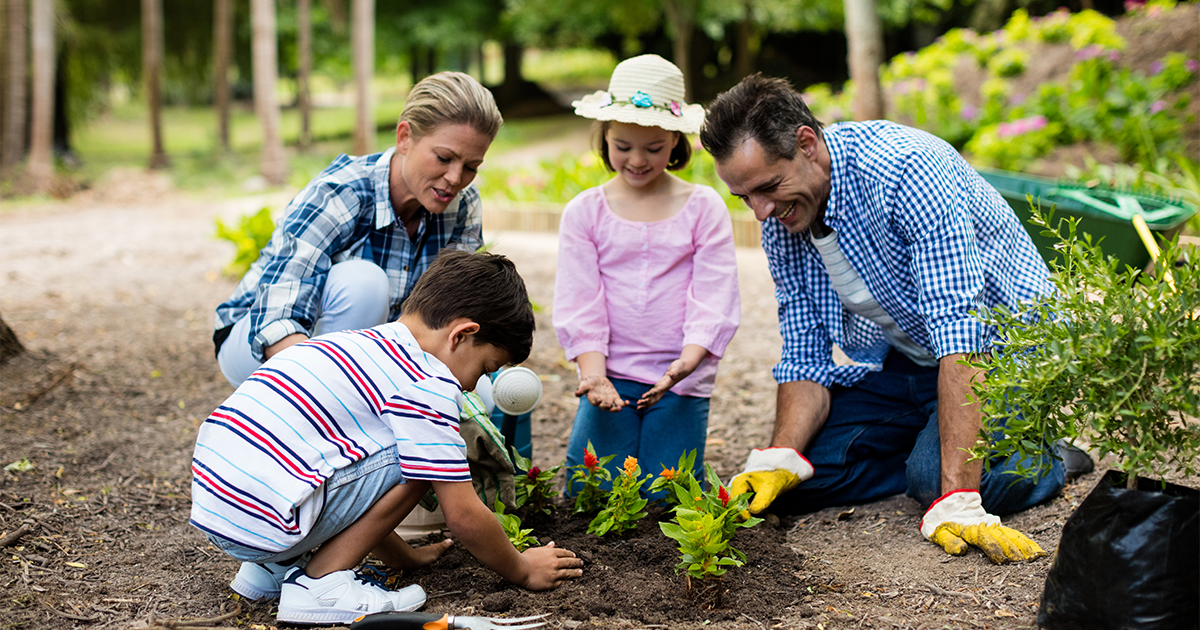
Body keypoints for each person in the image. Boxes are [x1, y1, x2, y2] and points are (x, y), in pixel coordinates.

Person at [700, 74, 1091, 564]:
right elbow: (805, 350)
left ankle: (1046, 459)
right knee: (796, 479)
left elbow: (963, 331)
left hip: (1006, 354)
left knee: (939, 484)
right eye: (744, 198)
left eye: (768, 187)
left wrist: (959, 496)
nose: (759, 212)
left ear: (806, 143)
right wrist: (781, 456)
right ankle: (935, 440)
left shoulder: (908, 172)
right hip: (915, 360)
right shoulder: (784, 220)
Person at [190, 251, 584, 624]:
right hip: (263, 522)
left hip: (223, 511)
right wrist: (522, 568)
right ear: (462, 335)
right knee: (428, 459)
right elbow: (462, 515)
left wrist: (404, 557)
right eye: (485, 368)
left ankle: (273, 568)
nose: (472, 386)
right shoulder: (427, 382)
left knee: (391, 449)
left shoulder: (353, 344)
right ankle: (321, 585)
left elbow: (348, 475)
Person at [213, 71, 500, 387]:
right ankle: (322, 413)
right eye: (444, 158)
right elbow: (275, 321)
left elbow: (449, 322)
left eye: (471, 166)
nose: (456, 178)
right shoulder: (339, 194)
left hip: (366, 355)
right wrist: (348, 392)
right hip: (261, 339)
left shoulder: (464, 203)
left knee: (484, 393)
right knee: (364, 283)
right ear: (404, 137)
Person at [554, 54, 741, 489]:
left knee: (667, 492)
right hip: (610, 377)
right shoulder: (585, 211)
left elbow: (714, 296)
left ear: (676, 142)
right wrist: (594, 374)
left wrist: (683, 367)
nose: (637, 160)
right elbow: (580, 301)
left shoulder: (703, 208)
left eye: (653, 148)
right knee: (591, 488)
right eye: (623, 147)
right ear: (605, 137)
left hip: (679, 377)